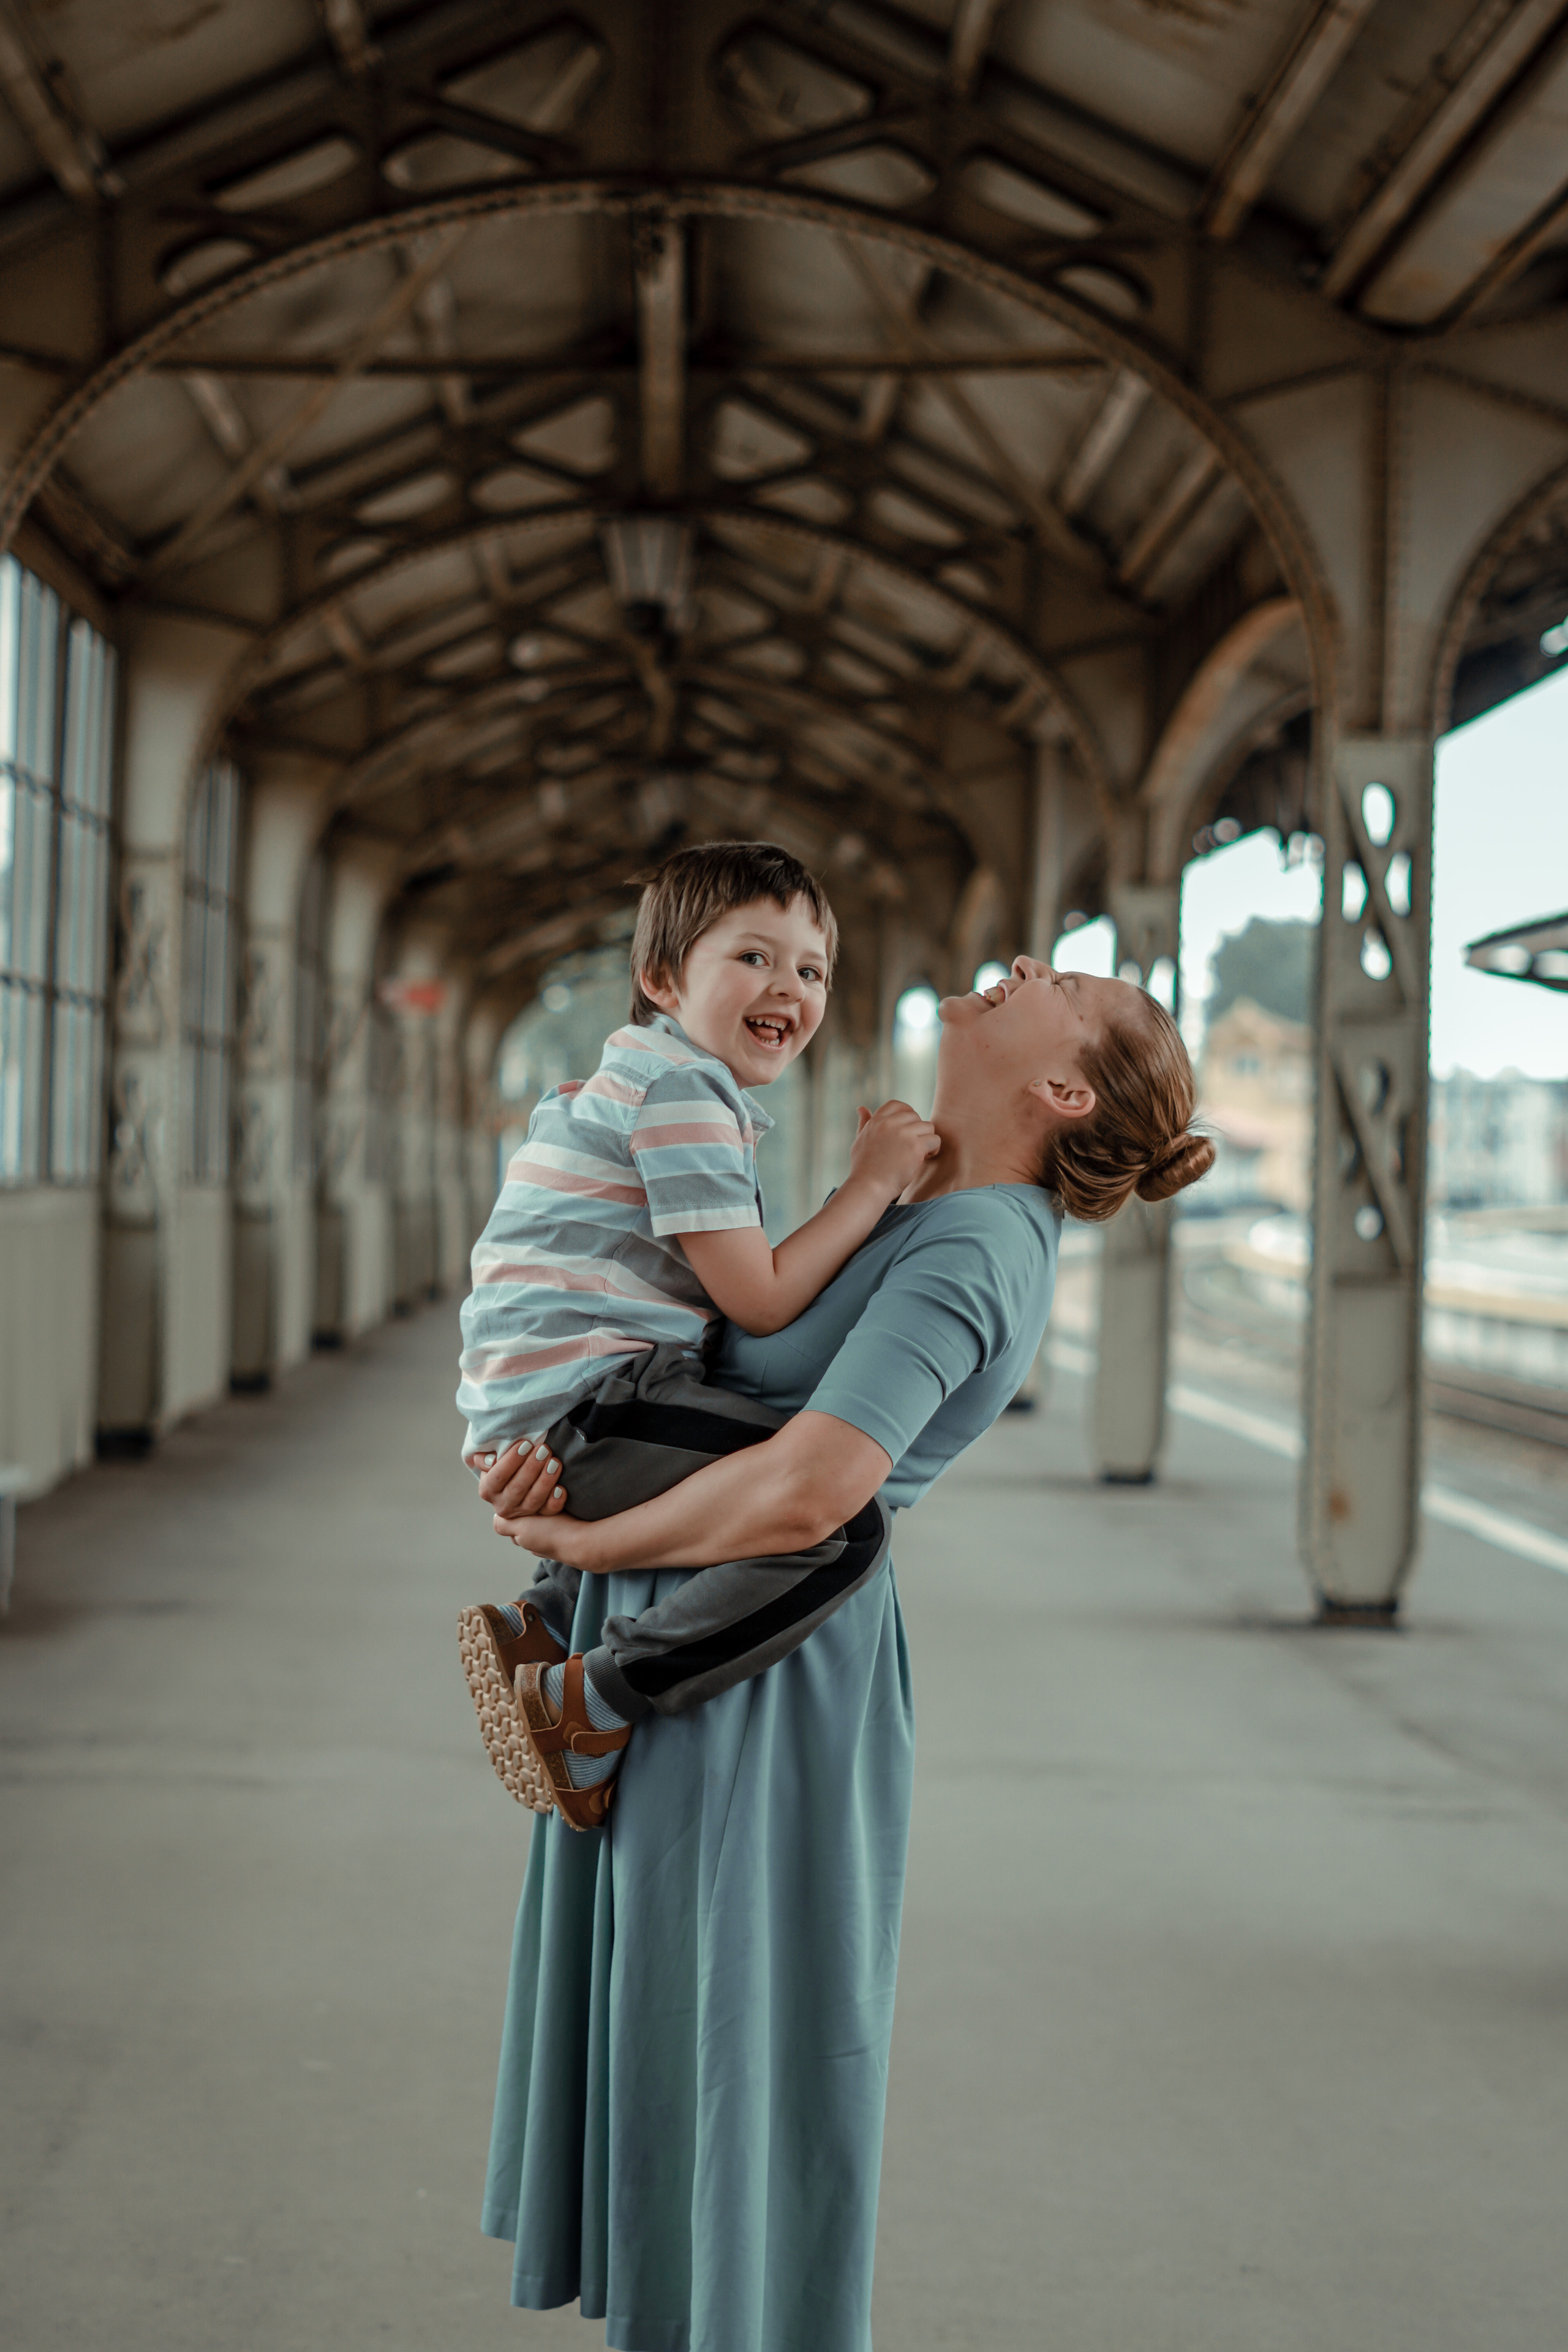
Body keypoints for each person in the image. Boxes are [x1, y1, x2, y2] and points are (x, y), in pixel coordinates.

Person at [476, 951, 1216, 2352]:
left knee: (721, 2056)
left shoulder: (976, 1245)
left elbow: (815, 1491)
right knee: (677, 2041)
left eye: (1063, 985)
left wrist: (583, 1541)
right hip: (696, 1633)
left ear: (1064, 1092)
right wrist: (559, 1479)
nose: (1023, 966)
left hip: (756, 1679)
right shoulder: (921, 1205)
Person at [456, 840, 939, 1828]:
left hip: (558, 1404)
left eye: (813, 970)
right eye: (754, 957)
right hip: (593, 1405)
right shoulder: (681, 1095)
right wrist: (871, 1185)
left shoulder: (635, 1082)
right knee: (835, 1519)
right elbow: (758, 1299)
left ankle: (548, 1619)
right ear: (663, 979)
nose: (789, 988)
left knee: (762, 1462)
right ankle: (595, 1701)